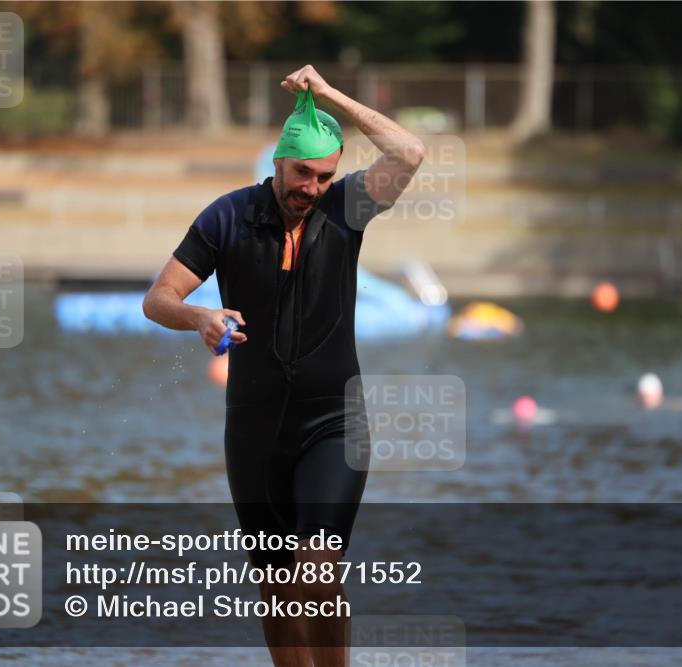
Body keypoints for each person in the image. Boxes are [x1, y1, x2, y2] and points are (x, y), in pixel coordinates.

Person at [143, 65, 425, 666]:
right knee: (277, 591)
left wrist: (329, 94)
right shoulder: (228, 217)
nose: (312, 187)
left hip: (334, 424)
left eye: (324, 175)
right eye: (302, 173)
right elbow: (158, 298)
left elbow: (410, 151)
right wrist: (198, 317)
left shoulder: (347, 207)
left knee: (317, 571)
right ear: (278, 162)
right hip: (255, 429)